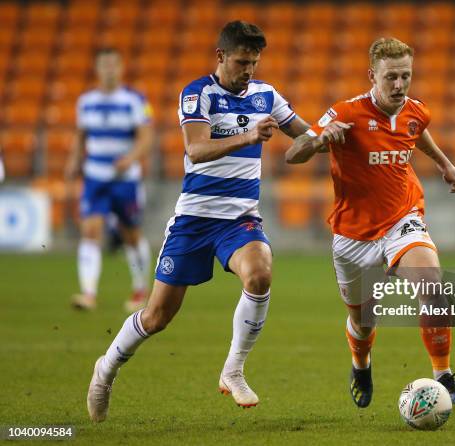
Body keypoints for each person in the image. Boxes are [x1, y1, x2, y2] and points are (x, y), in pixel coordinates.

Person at [85, 21, 311, 422]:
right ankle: (106, 369)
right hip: (194, 220)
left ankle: (234, 369)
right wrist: (249, 136)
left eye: (255, 63)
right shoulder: (198, 93)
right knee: (157, 317)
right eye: (242, 61)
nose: (249, 71)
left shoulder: (266, 96)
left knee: (259, 276)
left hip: (239, 219)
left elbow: (306, 136)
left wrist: (334, 135)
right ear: (222, 56)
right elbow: (197, 148)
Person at [285, 38, 455, 408]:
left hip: (402, 219)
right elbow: (293, 154)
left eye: (406, 76)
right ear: (372, 75)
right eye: (391, 77)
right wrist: (321, 139)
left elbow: (417, 130)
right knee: (363, 321)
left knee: (432, 287)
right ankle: (361, 363)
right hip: (352, 235)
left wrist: (443, 163)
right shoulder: (346, 112)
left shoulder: (416, 111)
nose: (400, 86)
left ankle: (444, 377)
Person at [66, 48, 153, 313]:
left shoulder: (134, 100)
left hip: (125, 179)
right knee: (90, 231)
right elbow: (81, 135)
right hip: (95, 176)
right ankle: (89, 293)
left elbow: (146, 136)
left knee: (131, 235)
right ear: (97, 68)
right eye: (104, 65)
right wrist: (74, 159)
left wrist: (131, 158)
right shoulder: (86, 101)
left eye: (113, 65)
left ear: (121, 67)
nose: (109, 70)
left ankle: (141, 288)